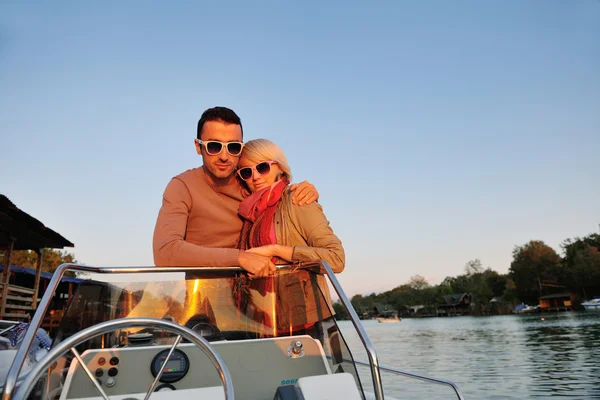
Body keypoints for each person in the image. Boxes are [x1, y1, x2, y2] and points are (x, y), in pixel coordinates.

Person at [152, 106, 318, 277]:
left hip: (259, 295)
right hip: (204, 298)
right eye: (214, 146)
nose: (224, 156)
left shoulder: (249, 179)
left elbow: (280, 197)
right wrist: (239, 258)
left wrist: (304, 191)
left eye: (233, 147)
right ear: (198, 146)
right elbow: (165, 251)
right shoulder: (182, 186)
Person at [234, 139, 345, 334]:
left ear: (279, 166)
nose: (255, 177)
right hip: (261, 322)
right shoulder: (250, 211)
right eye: (246, 172)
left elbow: (336, 258)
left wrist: (276, 250)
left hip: (302, 324)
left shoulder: (297, 200)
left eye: (262, 167)